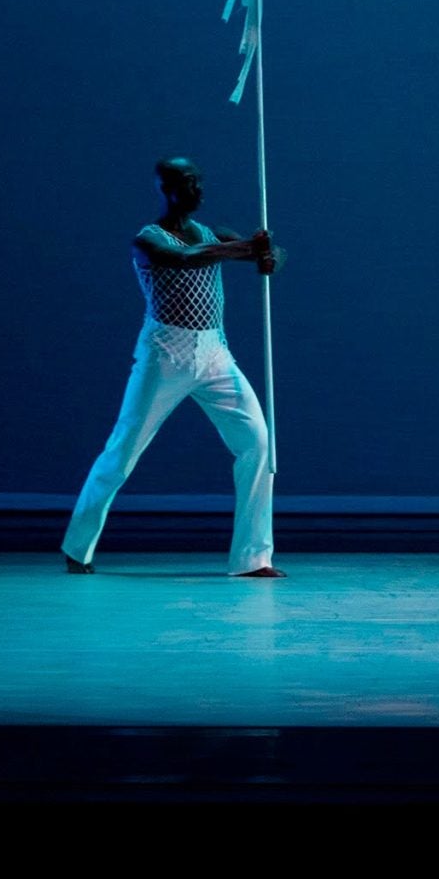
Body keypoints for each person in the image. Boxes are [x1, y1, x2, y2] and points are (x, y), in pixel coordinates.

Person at [62, 157, 284, 576]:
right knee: (122, 451)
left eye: (199, 180)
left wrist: (269, 256)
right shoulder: (147, 240)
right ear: (166, 188)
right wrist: (242, 249)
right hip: (165, 354)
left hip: (215, 353)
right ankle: (78, 547)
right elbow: (185, 259)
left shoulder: (213, 232)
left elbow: (265, 255)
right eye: (186, 182)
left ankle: (253, 558)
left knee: (257, 442)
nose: (197, 189)